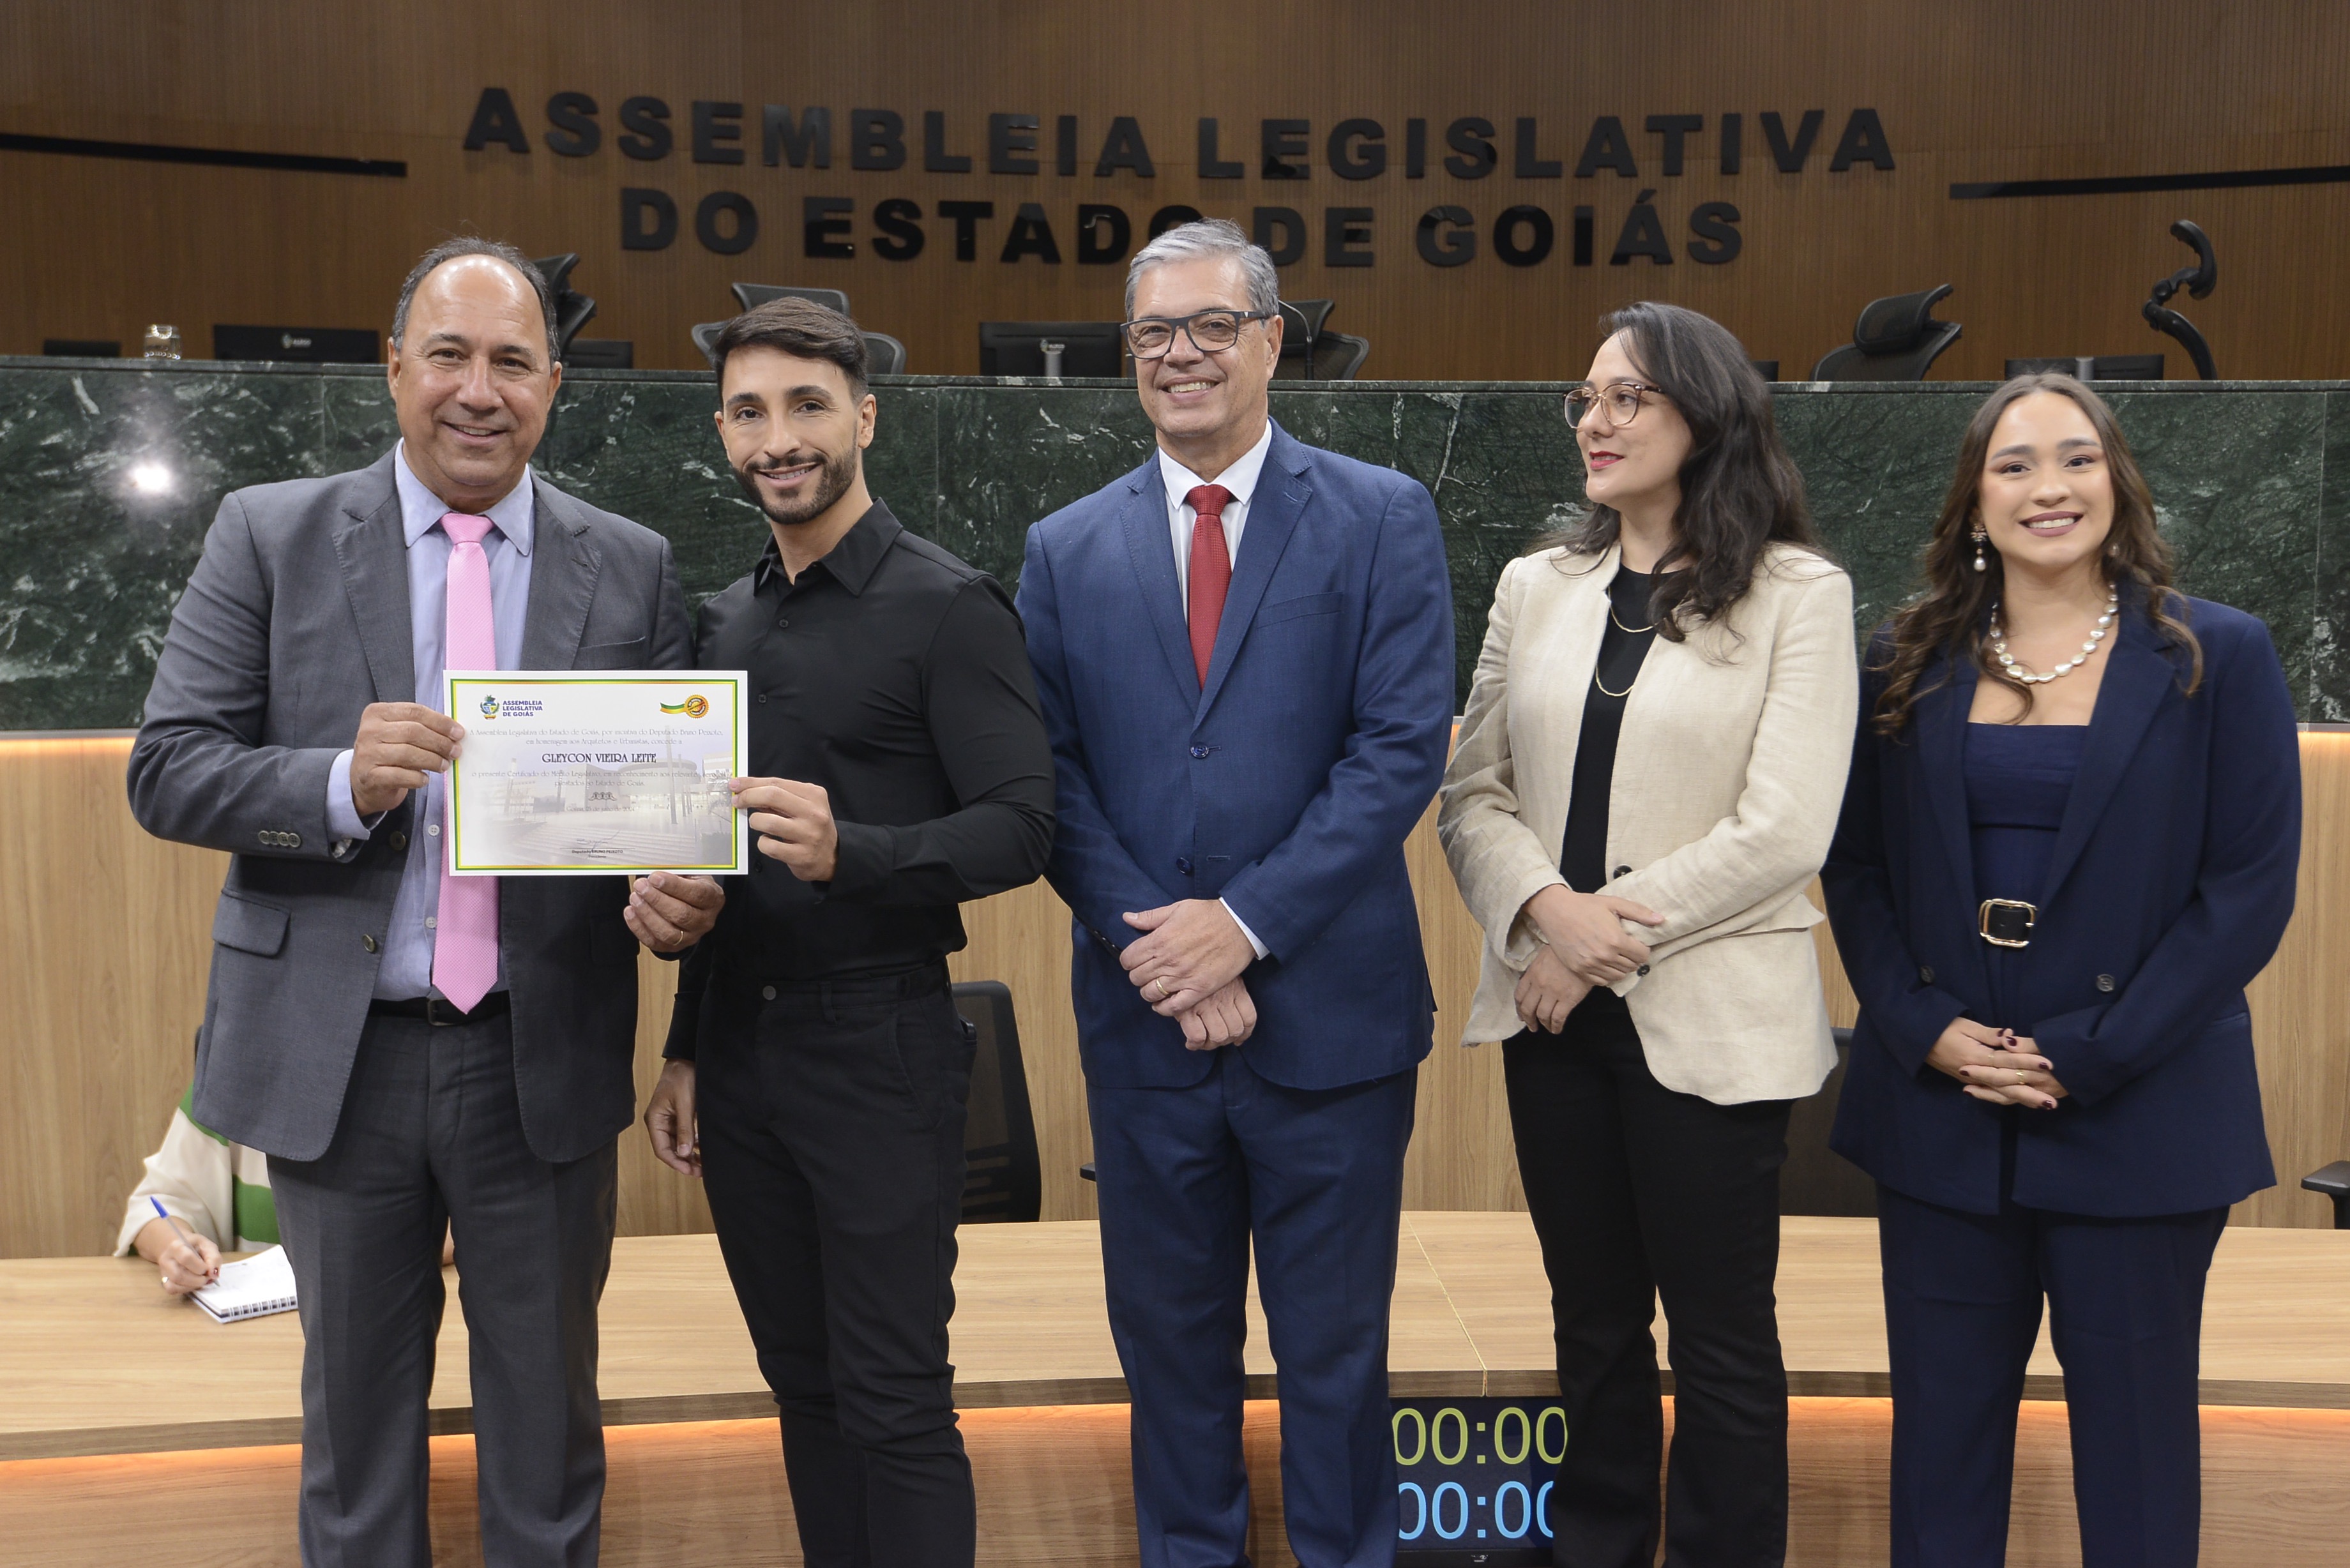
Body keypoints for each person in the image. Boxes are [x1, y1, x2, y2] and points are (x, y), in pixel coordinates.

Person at [127, 237, 722, 1567]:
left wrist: (678, 891)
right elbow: (166, 769)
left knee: (549, 1456)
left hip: (539, 1058)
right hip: (341, 1066)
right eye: (448, 354)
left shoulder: (630, 564)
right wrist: (334, 782)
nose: (478, 389)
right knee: (356, 1461)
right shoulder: (269, 533)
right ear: (395, 368)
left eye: (513, 361)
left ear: (554, 384)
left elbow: (662, 806)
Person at [1016, 218, 1455, 1568]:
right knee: (1169, 1355)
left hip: (1331, 1028)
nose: (1181, 355)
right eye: (1154, 332)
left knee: (1337, 1358)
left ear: (1271, 341)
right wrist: (1163, 952)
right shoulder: (1063, 547)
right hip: (1147, 1028)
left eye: (1212, 326)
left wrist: (1242, 930)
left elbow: (1397, 753)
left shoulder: (1382, 515)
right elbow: (1047, 775)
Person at [1823, 374, 2300, 1567]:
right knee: (1940, 1462)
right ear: (1975, 500)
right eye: (2017, 464)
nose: (2051, 487)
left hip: (2138, 1114)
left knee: (2138, 1469)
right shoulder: (1902, 657)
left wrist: (2091, 1055)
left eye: (2078, 459)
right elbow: (1857, 870)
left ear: (2118, 481)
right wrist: (1921, 1027)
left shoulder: (2217, 654)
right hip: (1943, 1117)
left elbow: (2247, 893)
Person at [1439, 302, 1856, 1567]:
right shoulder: (1536, 586)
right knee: (1594, 1330)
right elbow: (1473, 792)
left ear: (1706, 415)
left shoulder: (1798, 593)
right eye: (1586, 398)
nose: (1595, 421)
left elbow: (1784, 828)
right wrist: (1544, 914)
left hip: (1708, 1025)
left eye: (1628, 397)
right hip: (1550, 1021)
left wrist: (1592, 942)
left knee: (1721, 1343)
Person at [641, 297, 1055, 1568]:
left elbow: (1024, 825)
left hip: (881, 1044)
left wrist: (857, 849)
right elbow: (714, 862)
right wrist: (686, 1039)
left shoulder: (949, 606)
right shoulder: (720, 622)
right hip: (741, 1055)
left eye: (807, 405)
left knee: (893, 1400)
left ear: (864, 418)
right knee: (803, 1388)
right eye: (750, 411)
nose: (779, 437)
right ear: (723, 435)